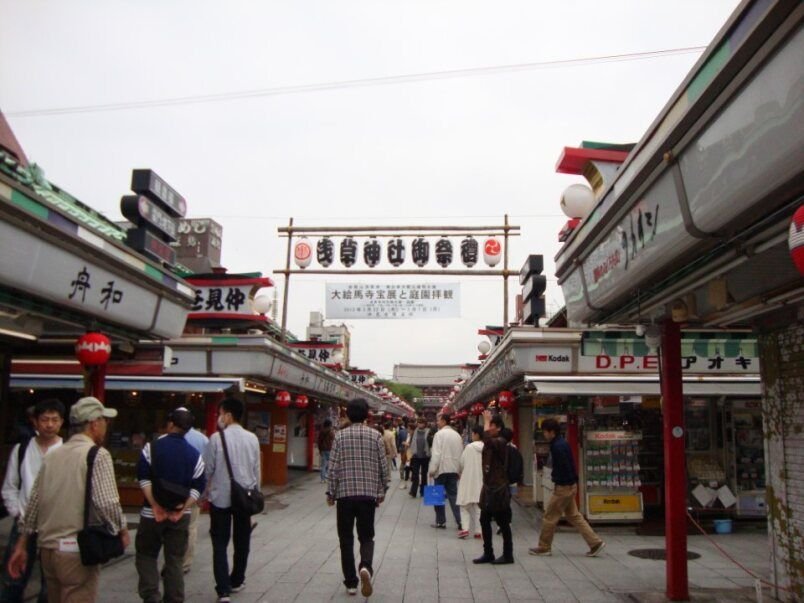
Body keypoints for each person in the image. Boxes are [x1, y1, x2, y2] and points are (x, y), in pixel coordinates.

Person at [8, 396, 129, 602]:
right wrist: (122, 529)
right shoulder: (97, 455)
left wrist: (22, 543)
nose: (106, 426)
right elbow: (106, 502)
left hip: (48, 549)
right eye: (104, 421)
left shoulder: (54, 454)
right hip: (75, 549)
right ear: (94, 424)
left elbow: (34, 502)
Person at [136, 408, 206, 603]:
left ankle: (151, 595)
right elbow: (198, 486)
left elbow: (143, 478)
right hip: (178, 516)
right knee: (175, 559)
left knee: (146, 554)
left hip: (152, 514)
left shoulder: (151, 448)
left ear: (170, 424)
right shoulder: (194, 455)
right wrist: (183, 507)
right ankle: (174, 598)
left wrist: (154, 504)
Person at [1, 398, 65, 603]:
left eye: (54, 420)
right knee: (13, 579)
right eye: (45, 419)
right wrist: (18, 512)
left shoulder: (66, 452)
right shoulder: (22, 450)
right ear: (35, 422)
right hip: (23, 522)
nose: (49, 424)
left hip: (54, 524)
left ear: (62, 422)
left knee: (51, 584)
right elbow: (10, 487)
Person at [326, 399, 388, 597]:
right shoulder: (376, 436)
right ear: (367, 414)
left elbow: (333, 467)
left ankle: (351, 583)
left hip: (345, 496)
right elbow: (383, 467)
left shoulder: (339, 437)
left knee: (346, 538)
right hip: (367, 496)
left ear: (348, 415)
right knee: (366, 536)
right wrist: (381, 491)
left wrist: (330, 492)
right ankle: (366, 567)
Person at [204, 398, 261, 603]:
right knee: (242, 541)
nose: (219, 417)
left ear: (227, 415)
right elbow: (256, 470)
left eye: (220, 413)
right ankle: (237, 579)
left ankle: (223, 590)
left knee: (219, 543)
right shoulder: (252, 438)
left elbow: (207, 469)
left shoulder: (216, 439)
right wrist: (256, 494)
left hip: (220, 498)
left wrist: (203, 494)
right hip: (244, 498)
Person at [529, 418, 606, 558]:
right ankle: (595, 542)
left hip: (563, 487)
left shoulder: (557, 446)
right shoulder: (562, 443)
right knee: (574, 516)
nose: (544, 434)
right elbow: (571, 464)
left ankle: (544, 546)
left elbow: (563, 466)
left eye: (545, 432)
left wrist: (558, 480)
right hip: (570, 485)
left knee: (549, 516)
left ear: (551, 432)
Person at [473, 411, 513, 565]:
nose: (488, 429)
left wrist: (486, 421)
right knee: (484, 520)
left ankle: (508, 554)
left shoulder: (501, 442)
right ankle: (488, 552)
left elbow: (488, 441)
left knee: (503, 522)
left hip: (498, 488)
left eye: (491, 426)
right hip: (490, 486)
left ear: (498, 428)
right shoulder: (495, 441)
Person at [181, 414, 209, 574]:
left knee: (171, 527)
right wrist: (203, 493)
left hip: (170, 492)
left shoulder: (165, 439)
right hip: (194, 490)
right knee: (191, 526)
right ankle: (186, 561)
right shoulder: (202, 439)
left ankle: (172, 558)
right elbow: (207, 468)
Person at [428, 413, 463, 530]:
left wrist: (432, 469)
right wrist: (459, 470)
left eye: (438, 420)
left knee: (437, 495)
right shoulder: (457, 435)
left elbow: (436, 454)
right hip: (453, 469)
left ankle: (441, 521)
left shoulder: (439, 434)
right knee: (453, 495)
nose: (437, 423)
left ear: (443, 421)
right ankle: (460, 521)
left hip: (441, 469)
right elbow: (460, 454)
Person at [456, 425, 484, 540]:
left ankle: (465, 529)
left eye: (473, 433)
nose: (472, 435)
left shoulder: (469, 447)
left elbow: (461, 462)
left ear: (476, 434)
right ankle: (478, 531)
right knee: (479, 508)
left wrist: (459, 471)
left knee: (464, 506)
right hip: (481, 480)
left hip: (468, 479)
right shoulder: (487, 447)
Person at [406, 417, 430, 499]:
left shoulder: (428, 432)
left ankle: (423, 491)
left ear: (425, 424)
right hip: (416, 456)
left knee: (424, 474)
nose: (420, 424)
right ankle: (413, 491)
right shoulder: (415, 432)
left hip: (425, 456)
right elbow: (411, 443)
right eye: (419, 422)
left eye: (421, 422)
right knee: (415, 474)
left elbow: (430, 443)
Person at [395, 420, 408, 489]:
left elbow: (398, 441)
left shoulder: (400, 432)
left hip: (403, 448)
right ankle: (408, 475)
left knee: (403, 461)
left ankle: (402, 474)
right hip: (409, 450)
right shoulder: (410, 432)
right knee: (408, 462)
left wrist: (398, 448)